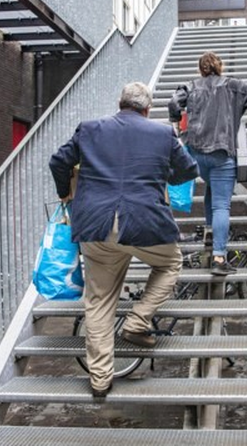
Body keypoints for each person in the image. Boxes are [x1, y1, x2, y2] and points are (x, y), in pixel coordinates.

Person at [49, 81, 198, 400]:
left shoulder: (89, 129)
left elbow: (58, 161)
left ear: (120, 104)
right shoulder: (162, 134)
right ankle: (138, 320)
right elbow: (188, 170)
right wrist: (164, 173)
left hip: (94, 226)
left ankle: (100, 378)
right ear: (147, 110)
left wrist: (65, 193)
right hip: (144, 224)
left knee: (99, 300)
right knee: (171, 263)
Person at [168, 51, 247, 276]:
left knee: (212, 190)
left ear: (201, 68)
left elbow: (174, 102)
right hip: (222, 153)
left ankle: (210, 232)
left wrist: (175, 124)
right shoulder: (234, 86)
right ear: (219, 67)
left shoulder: (191, 86)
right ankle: (219, 257)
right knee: (222, 205)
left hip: (197, 154)